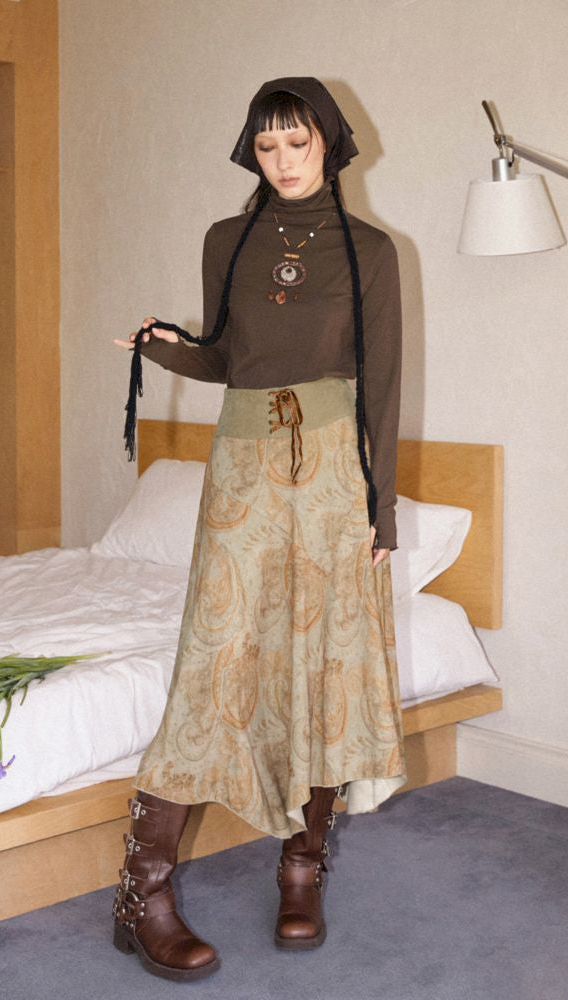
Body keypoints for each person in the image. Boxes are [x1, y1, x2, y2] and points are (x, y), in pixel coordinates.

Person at [110, 76, 406, 982]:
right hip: (243, 467)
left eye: (298, 143)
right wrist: (166, 348)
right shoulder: (226, 239)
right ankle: (141, 892)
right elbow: (227, 357)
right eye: (268, 145)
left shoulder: (371, 251)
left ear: (330, 144)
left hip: (331, 475)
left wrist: (382, 506)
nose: (283, 161)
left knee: (320, 663)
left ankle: (302, 871)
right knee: (215, 658)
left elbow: (383, 384)